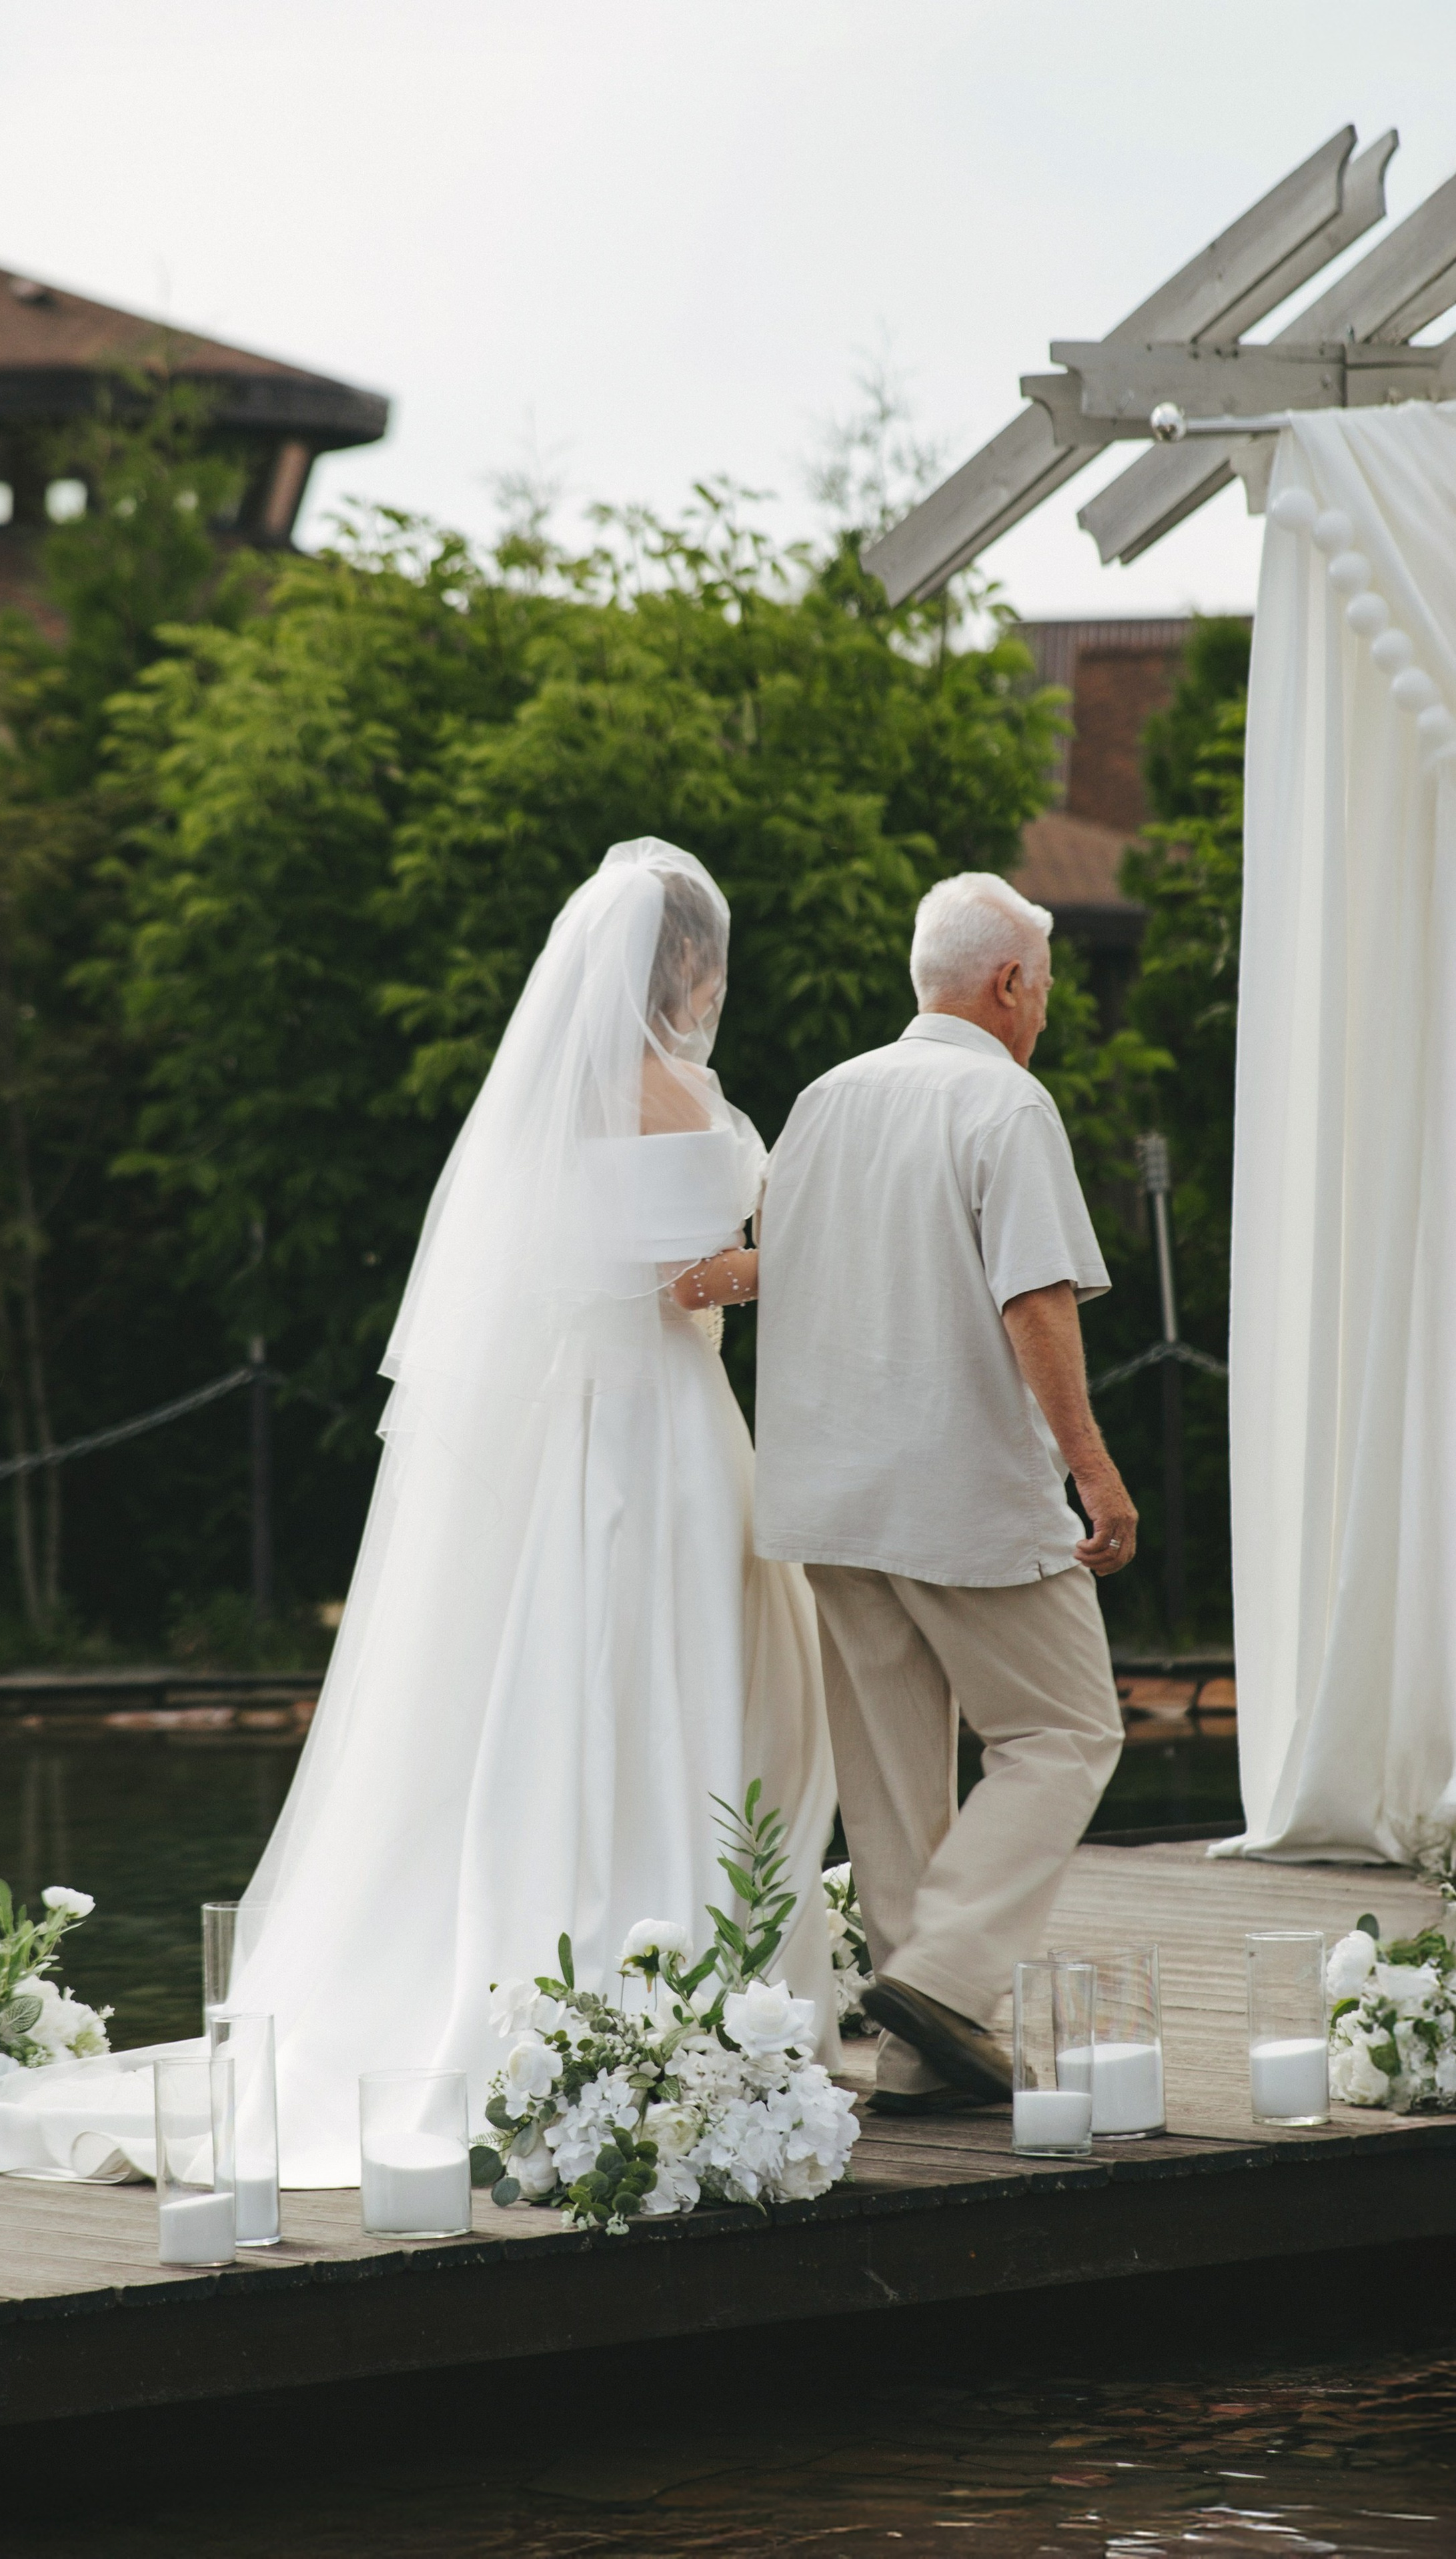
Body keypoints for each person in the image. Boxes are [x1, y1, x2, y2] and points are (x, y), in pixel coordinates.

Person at [214, 837, 839, 2180]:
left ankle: (611, 1950)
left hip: (582, 1414)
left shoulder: (555, 1101)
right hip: (657, 1420)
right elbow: (691, 1279)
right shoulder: (666, 1093)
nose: (714, 982)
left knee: (574, 1665)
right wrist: (806, 1247)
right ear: (679, 961)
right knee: (677, 1662)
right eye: (708, 959)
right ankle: (668, 1951)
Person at [753, 872, 1133, 2113]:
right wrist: (1093, 1467)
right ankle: (954, 1977)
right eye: (1048, 985)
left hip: (826, 1491)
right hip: (958, 1489)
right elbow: (1036, 1298)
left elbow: (783, 1269)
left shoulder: (822, 1098)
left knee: (895, 1780)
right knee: (1068, 1732)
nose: (1049, 1008)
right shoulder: (1005, 1102)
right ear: (1009, 984)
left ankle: (924, 2053)